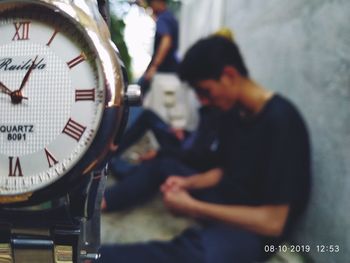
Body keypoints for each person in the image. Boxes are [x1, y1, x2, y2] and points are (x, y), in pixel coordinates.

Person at [97, 35, 311, 263]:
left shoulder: (282, 121)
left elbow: (272, 223)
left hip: (256, 230)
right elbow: (223, 171)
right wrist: (187, 184)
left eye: (205, 91)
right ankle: (101, 202)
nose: (204, 102)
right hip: (227, 198)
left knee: (194, 255)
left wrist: (194, 207)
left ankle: (89, 259)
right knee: (164, 164)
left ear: (229, 75)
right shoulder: (233, 113)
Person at [141, 0, 199, 132]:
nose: (150, 8)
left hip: (165, 74)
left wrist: (154, 66)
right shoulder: (170, 17)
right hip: (172, 73)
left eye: (151, 4)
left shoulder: (163, 18)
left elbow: (166, 41)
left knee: (155, 111)